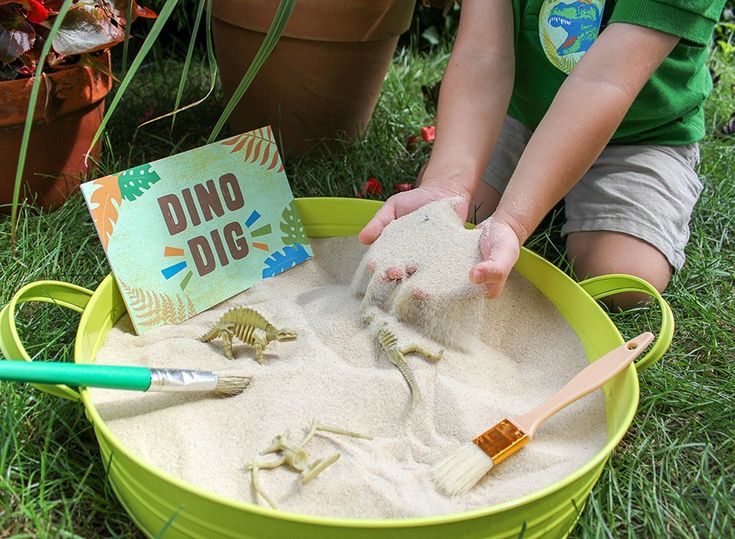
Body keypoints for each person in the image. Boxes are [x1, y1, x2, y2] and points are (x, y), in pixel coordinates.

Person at [358, 0, 726, 308]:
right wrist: (446, 183)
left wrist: (514, 221)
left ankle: (551, 194)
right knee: (448, 217)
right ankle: (539, 190)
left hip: (642, 133)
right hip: (521, 113)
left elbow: (606, 81)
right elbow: (481, 55)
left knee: (622, 277)